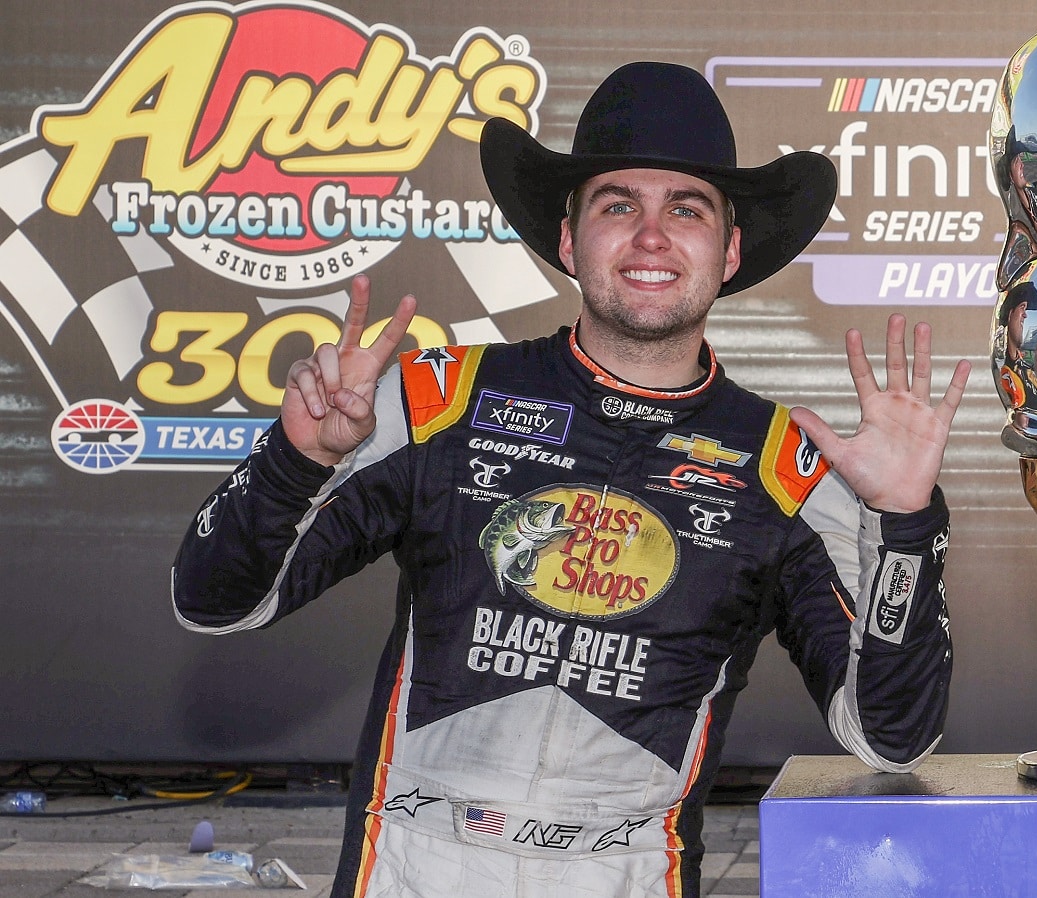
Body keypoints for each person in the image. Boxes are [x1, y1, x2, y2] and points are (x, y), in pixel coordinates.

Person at [171, 61, 970, 898]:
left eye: (687, 208)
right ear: (567, 239)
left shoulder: (784, 467)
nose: (652, 235)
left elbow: (890, 734)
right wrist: (299, 456)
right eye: (618, 204)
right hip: (412, 865)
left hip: (627, 873)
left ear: (729, 250)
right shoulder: (438, 400)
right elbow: (216, 600)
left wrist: (905, 523)